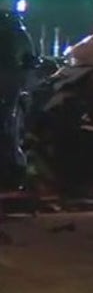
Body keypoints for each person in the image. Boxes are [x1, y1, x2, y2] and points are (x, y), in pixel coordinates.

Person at [0, 12, 36, 187]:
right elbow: (30, 60)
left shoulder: (15, 33)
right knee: (10, 125)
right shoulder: (16, 33)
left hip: (10, 84)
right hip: (11, 85)